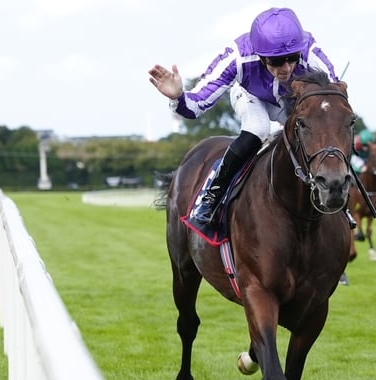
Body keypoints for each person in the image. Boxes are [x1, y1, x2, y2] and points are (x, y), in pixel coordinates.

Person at [147, 7, 355, 227]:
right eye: (276, 61)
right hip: (251, 96)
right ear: (260, 55)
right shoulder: (237, 56)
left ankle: (341, 199)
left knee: (319, 132)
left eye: (292, 58)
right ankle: (210, 196)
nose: (287, 68)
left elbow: (334, 100)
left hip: (291, 101)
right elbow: (195, 106)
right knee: (258, 128)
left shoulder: (309, 51)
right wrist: (178, 96)